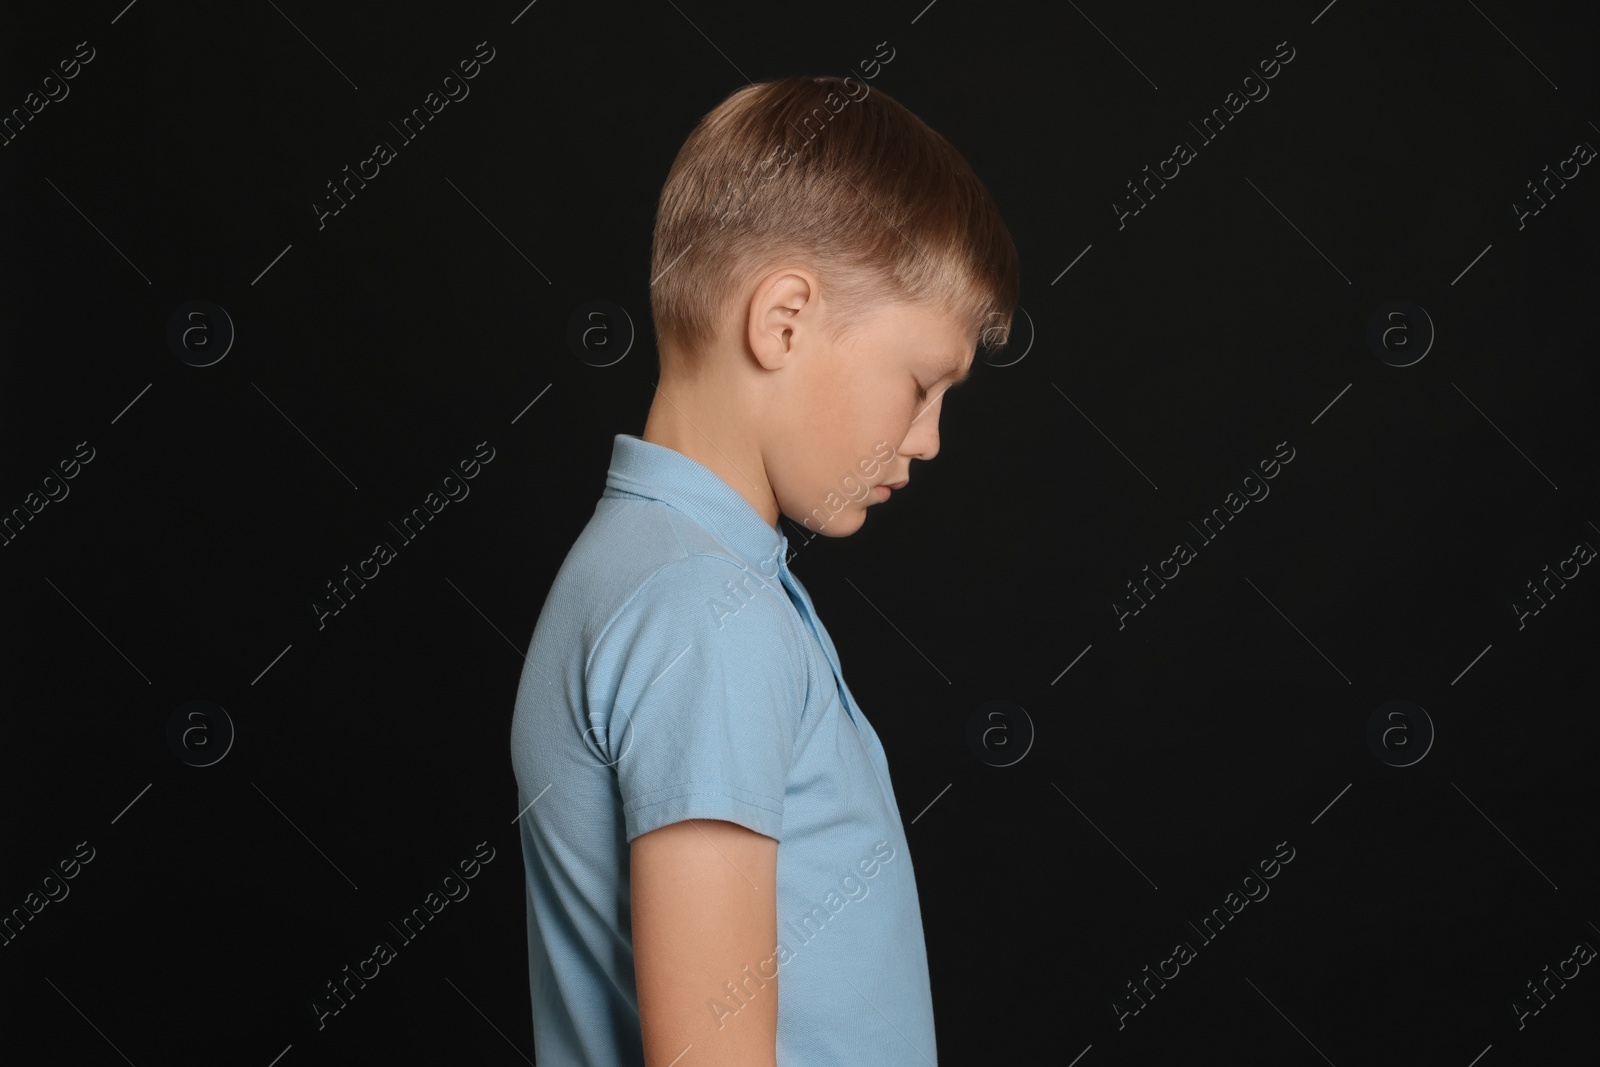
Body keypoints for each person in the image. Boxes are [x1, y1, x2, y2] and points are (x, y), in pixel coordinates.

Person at [509, 73, 1018, 1066]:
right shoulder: (705, 611)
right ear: (782, 319)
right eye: (921, 385)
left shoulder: (663, 572)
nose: (929, 439)